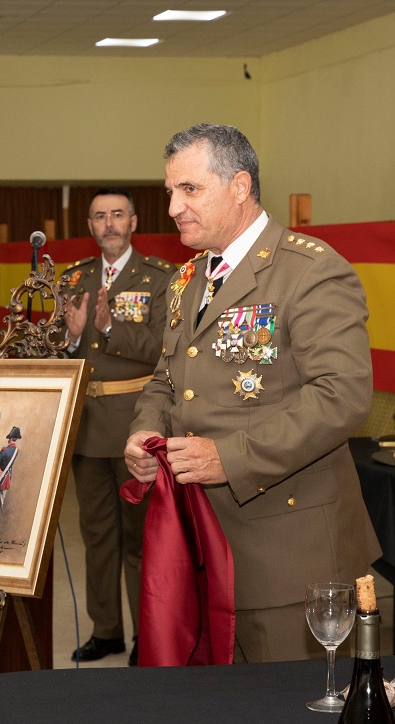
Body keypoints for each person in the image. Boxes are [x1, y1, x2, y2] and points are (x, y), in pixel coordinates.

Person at [124, 123, 381, 664]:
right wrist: (145, 429)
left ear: (239, 186)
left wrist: (230, 456)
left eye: (189, 190)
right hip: (200, 541)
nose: (172, 207)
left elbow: (343, 394)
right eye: (170, 191)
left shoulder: (309, 271)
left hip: (289, 557)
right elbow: (167, 376)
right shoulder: (187, 278)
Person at [64, 188, 172, 667]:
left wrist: (109, 329)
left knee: (139, 539)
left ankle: (144, 637)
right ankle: (106, 630)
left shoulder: (159, 278)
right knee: (97, 535)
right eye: (100, 217)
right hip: (86, 427)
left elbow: (161, 348)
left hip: (135, 427)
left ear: (133, 222)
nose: (109, 224)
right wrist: (71, 336)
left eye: (117, 215)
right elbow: (60, 352)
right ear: (90, 226)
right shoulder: (75, 279)